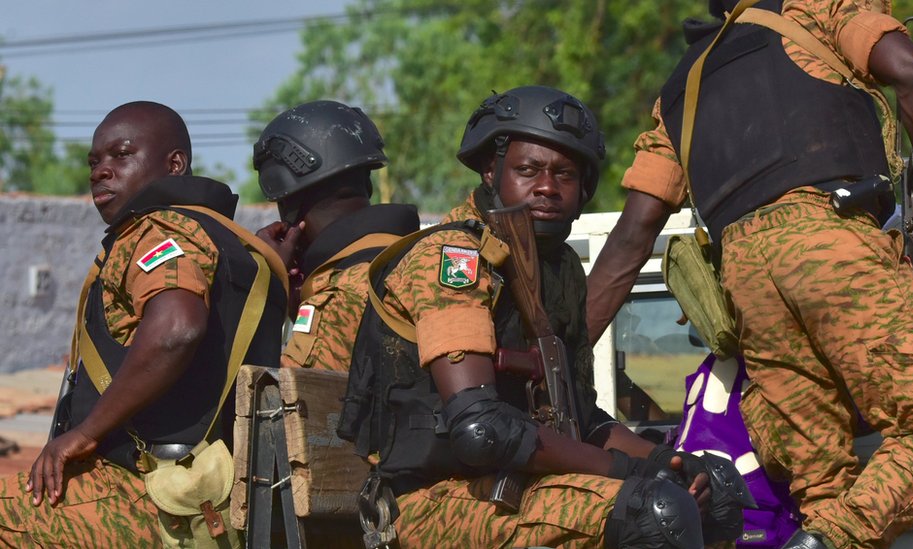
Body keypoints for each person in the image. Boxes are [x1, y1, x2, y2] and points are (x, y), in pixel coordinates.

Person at [585, 1, 913, 547]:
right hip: (829, 239)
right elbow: (911, 74)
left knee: (822, 488)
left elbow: (632, 235)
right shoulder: (818, 10)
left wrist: (561, 353)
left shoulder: (680, 91)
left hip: (747, 281)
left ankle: (823, 535)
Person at [339, 85, 753, 549]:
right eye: (527, 170)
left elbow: (579, 419)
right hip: (429, 501)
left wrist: (667, 461)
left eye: (565, 175)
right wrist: (635, 474)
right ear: (491, 172)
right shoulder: (453, 258)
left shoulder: (559, 271)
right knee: (652, 512)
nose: (547, 187)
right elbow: (481, 430)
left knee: (713, 488)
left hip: (516, 483)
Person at [0, 101, 287, 547]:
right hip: (213, 496)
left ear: (175, 165)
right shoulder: (227, 242)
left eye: (122, 155)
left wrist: (82, 433)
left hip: (148, 496)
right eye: (94, 161)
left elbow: (177, 328)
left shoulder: (157, 230)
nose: (101, 171)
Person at [252, 100, 420, 371]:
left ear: (290, 209)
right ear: (367, 184)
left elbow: (272, 399)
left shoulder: (337, 298)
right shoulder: (412, 257)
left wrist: (268, 290)